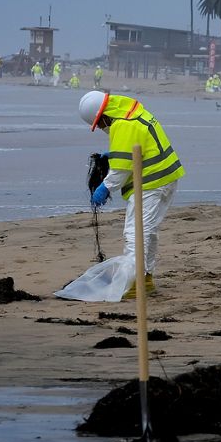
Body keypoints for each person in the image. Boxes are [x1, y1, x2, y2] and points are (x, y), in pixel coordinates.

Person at [78, 90, 185, 299]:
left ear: (103, 116)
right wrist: (115, 154)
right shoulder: (130, 111)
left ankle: (135, 283)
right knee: (148, 231)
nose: (101, 129)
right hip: (167, 177)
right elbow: (137, 147)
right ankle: (146, 278)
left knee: (135, 233)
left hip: (151, 183)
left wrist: (104, 188)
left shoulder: (122, 125)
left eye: (99, 125)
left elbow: (120, 172)